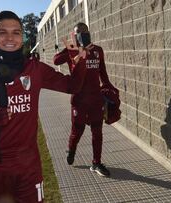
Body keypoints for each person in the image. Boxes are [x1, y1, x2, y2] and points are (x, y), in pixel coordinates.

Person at [0, 11, 86, 203]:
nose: (10, 38)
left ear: (22, 37)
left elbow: (73, 86)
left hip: (29, 165)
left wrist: (77, 61)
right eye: (3, 32)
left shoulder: (35, 69)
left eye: (16, 32)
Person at [53, 22, 117, 177]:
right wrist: (72, 49)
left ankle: (96, 163)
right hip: (79, 99)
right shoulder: (72, 50)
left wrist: (110, 89)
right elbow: (55, 61)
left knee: (97, 132)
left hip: (96, 99)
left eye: (84, 31)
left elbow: (103, 73)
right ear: (74, 35)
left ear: (89, 32)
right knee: (77, 131)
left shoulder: (97, 50)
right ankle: (71, 149)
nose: (81, 33)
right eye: (77, 32)